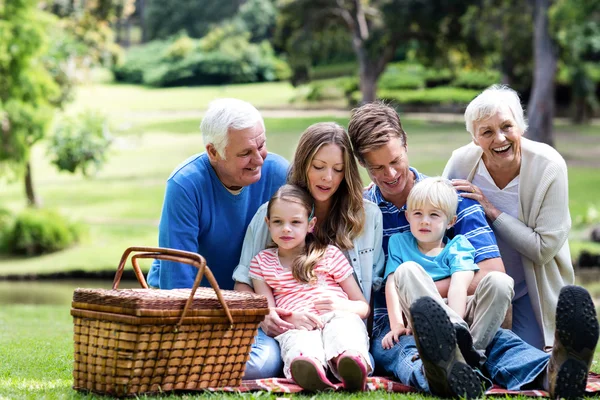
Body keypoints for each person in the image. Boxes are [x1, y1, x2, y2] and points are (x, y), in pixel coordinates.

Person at [348, 101, 599, 399]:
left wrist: (424, 294)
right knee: (409, 354)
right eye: (376, 167)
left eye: (395, 160)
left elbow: (493, 272)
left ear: (405, 143)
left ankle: (555, 372)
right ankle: (443, 374)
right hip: (396, 327)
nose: (390, 174)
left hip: (465, 319)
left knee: (501, 343)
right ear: (362, 164)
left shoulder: (452, 198)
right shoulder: (362, 213)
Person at [146, 98, 288, 379]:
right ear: (213, 152)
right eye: (246, 152)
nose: (259, 159)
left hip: (253, 310)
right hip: (195, 311)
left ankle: (187, 366)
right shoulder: (186, 185)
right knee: (261, 363)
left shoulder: (279, 174)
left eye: (261, 145)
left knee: (272, 358)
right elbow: (178, 284)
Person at [233, 122, 384, 355]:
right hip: (285, 331)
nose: (328, 178)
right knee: (260, 363)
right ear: (304, 164)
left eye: (338, 169)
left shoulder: (368, 215)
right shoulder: (269, 214)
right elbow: (243, 282)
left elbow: (373, 290)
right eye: (319, 166)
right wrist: (266, 314)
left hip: (346, 328)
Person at [443, 84, 573, 350]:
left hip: (530, 289)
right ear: (474, 139)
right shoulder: (462, 163)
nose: (499, 139)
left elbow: (543, 248)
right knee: (484, 353)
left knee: (527, 355)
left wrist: (491, 210)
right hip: (479, 285)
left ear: (521, 127)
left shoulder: (549, 167)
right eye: (487, 132)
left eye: (506, 127)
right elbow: (435, 206)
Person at [250, 184, 372, 391]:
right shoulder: (261, 263)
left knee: (344, 329)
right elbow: (270, 313)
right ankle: (309, 368)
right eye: (278, 222)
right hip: (297, 324)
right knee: (299, 342)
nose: (286, 228)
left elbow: (363, 307)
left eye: (295, 222)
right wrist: (291, 319)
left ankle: (348, 362)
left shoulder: (330, 254)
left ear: (310, 224)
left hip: (337, 315)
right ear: (268, 224)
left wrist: (341, 306)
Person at [383, 177, 507, 370]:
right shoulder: (398, 243)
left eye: (434, 215)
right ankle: (455, 354)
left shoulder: (458, 246)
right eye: (418, 213)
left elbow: (459, 286)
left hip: (461, 316)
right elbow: (391, 285)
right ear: (408, 217)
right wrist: (397, 324)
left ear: (451, 221)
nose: (424, 221)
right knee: (406, 271)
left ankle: (470, 353)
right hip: (424, 316)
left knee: (501, 282)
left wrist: (455, 326)